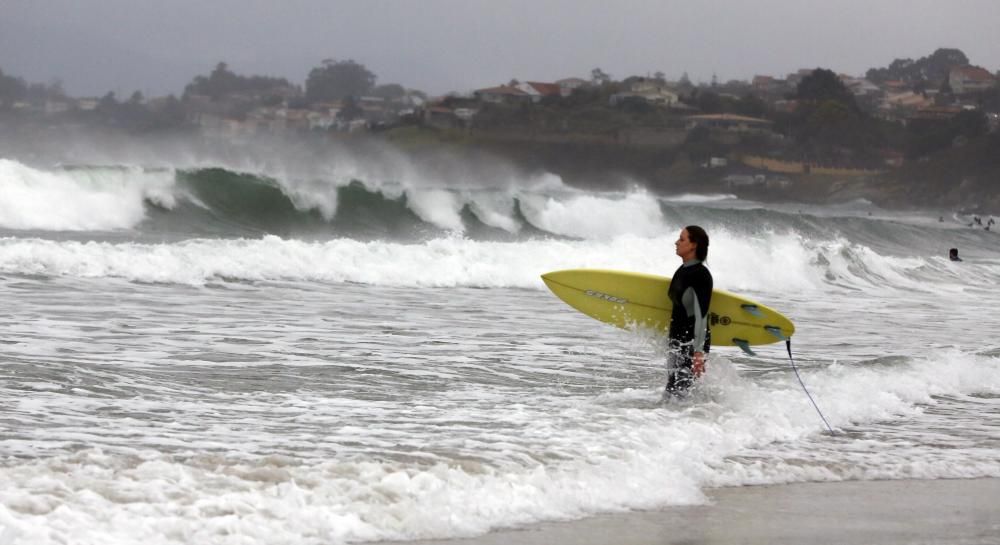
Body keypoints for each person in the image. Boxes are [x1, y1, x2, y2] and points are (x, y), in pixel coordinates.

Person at [665, 226, 713, 396]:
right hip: (678, 340)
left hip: (691, 342)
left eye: (682, 239)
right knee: (673, 391)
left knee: (681, 393)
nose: (677, 242)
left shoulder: (700, 275)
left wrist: (698, 353)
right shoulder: (682, 270)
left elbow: (702, 315)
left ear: (694, 245)